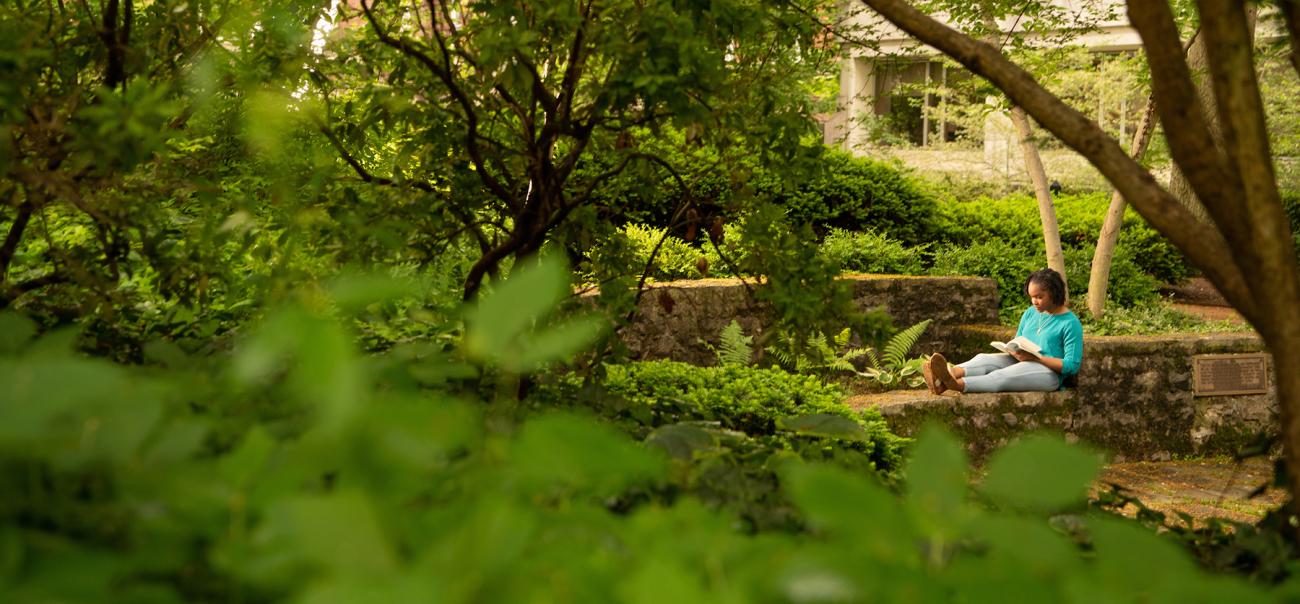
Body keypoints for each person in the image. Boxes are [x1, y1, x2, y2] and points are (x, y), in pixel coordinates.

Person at [924, 268, 1083, 394]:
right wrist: (1013, 350)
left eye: (1039, 297)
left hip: (1049, 374)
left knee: (1002, 376)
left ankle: (958, 385)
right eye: (1031, 297)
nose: (1034, 302)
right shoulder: (1031, 313)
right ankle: (949, 374)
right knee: (983, 359)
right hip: (1025, 360)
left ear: (1054, 293)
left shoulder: (1070, 323)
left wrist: (1037, 359)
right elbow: (1019, 340)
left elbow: (1072, 365)